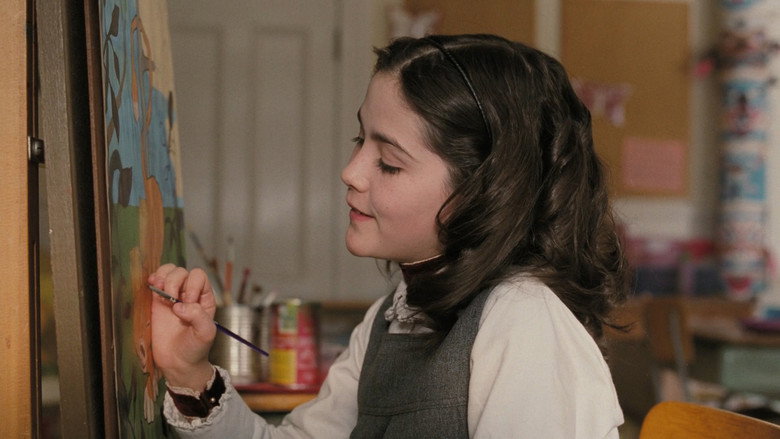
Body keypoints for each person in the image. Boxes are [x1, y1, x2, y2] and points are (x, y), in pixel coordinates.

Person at [149, 33, 629, 438]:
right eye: (360, 140)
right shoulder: (391, 317)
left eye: (390, 163)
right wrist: (191, 376)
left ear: (485, 192)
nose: (351, 172)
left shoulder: (524, 322)